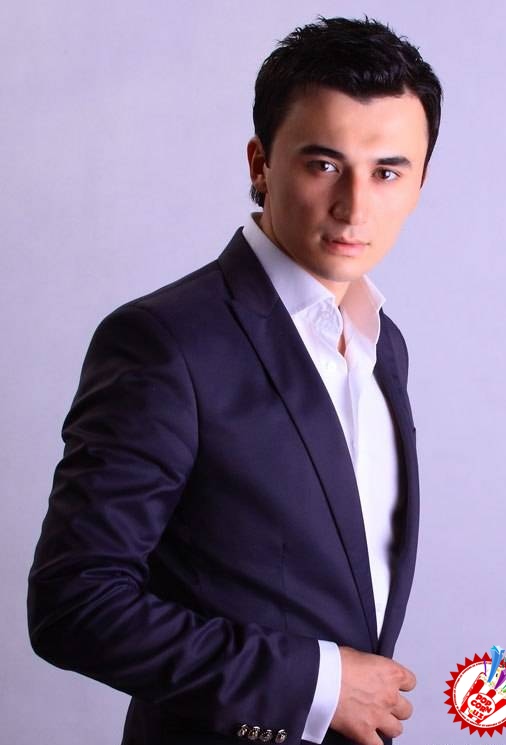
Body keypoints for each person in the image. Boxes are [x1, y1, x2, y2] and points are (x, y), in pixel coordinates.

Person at [28, 16, 442, 745]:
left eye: (387, 171)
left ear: (420, 181)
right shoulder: (165, 342)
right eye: (323, 164)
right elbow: (74, 602)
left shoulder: (384, 344)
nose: (354, 206)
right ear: (260, 163)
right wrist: (315, 685)